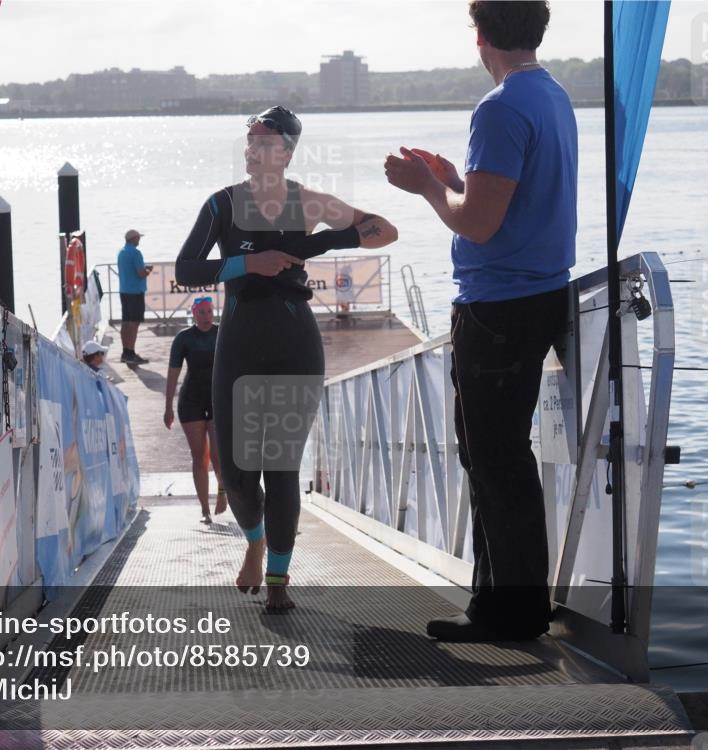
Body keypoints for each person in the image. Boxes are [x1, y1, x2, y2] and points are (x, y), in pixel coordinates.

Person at [384, 0, 576, 641]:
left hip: (498, 306)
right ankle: (505, 603)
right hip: (538, 296)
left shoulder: (499, 108)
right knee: (498, 455)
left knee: (493, 456)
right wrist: (450, 176)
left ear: (480, 34)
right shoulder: (552, 97)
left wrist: (425, 188)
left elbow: (479, 223)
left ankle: (510, 611)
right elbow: (504, 199)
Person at [176, 105, 398, 612]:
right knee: (234, 469)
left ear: (287, 151)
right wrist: (250, 261)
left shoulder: (310, 201)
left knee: (280, 467)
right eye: (249, 139)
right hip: (240, 338)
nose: (252, 148)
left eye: (264, 139)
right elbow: (187, 270)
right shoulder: (223, 205)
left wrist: (320, 241)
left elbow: (385, 231)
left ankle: (278, 579)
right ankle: (254, 538)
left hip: (294, 338)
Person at [164, 296, 225, 524]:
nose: (206, 317)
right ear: (194, 314)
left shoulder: (222, 332)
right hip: (191, 401)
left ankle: (222, 492)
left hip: (217, 399)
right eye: (201, 313)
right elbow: (173, 373)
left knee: (219, 457)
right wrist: (168, 406)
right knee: (199, 457)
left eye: (209, 312)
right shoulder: (184, 339)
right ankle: (204, 510)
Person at [117, 229, 153, 364]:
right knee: (134, 323)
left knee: (126, 322)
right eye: (138, 238)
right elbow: (141, 273)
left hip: (124, 291)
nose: (139, 240)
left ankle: (125, 351)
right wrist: (148, 269)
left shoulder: (121, 252)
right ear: (133, 239)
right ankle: (131, 353)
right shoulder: (136, 253)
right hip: (135, 292)